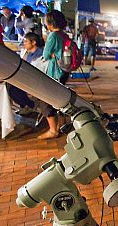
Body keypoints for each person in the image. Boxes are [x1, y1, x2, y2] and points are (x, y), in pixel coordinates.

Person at [39, 10, 69, 139]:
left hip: (55, 72)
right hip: (64, 71)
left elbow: (45, 55)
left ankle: (53, 130)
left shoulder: (53, 36)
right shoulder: (64, 35)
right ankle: (62, 124)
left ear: (50, 22)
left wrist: (51, 54)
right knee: (59, 97)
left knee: (46, 99)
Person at [8, 32, 46, 114]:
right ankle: (26, 106)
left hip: (38, 80)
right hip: (30, 78)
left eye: (26, 42)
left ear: (34, 42)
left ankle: (31, 105)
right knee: (12, 87)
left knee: (14, 90)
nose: (24, 44)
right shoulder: (29, 54)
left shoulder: (40, 53)